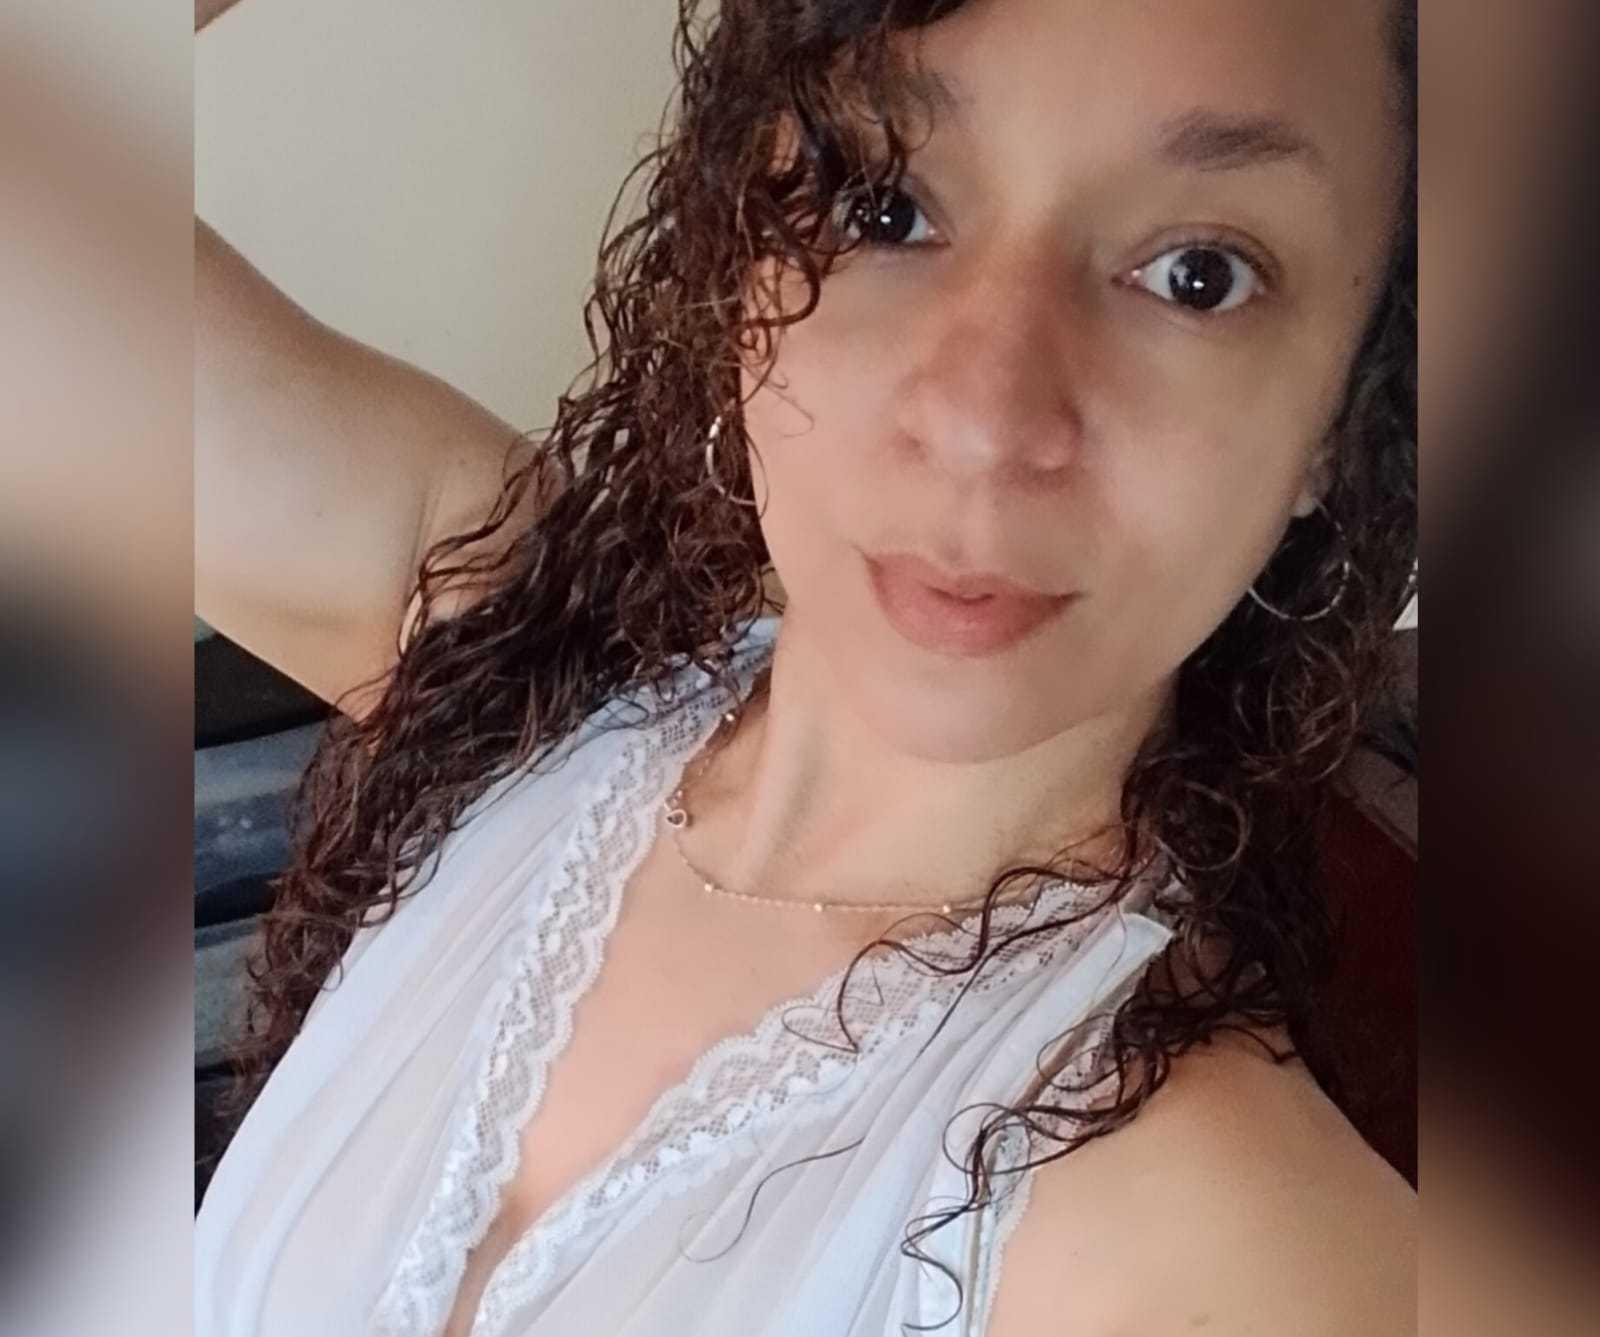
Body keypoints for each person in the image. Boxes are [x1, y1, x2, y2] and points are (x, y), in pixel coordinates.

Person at [194, 0, 1418, 1333]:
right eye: (882, 205)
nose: (983, 419)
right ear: (740, 241)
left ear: (1344, 412)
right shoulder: (514, 647)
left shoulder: (1242, 1256)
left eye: (1199, 275)